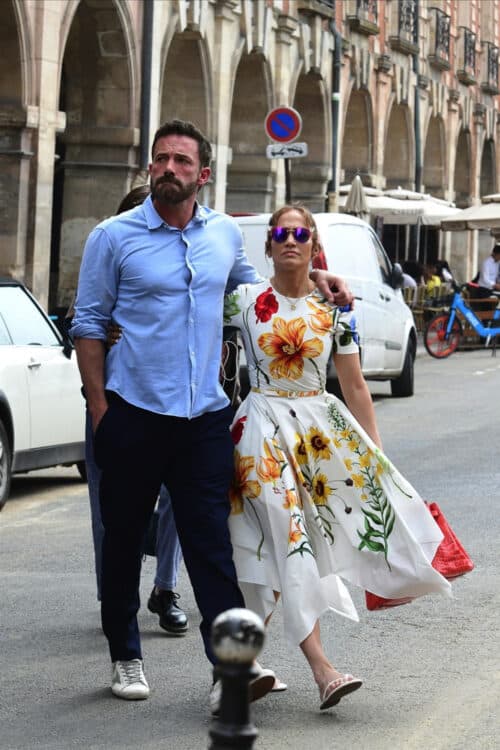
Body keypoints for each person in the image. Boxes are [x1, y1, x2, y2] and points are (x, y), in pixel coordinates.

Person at [70, 119, 353, 703]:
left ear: (202, 175)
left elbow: (256, 290)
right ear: (150, 168)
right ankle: (125, 653)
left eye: (180, 161)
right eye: (160, 159)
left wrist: (315, 274)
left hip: (203, 419)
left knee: (211, 547)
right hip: (133, 412)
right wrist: (101, 408)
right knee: (122, 539)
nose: (168, 169)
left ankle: (232, 667)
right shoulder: (113, 237)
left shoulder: (223, 234)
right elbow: (89, 325)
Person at [223, 205, 452, 711]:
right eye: (280, 232)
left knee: (273, 551)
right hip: (259, 431)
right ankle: (322, 670)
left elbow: (354, 387)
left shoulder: (334, 313)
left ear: (313, 243)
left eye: (300, 232)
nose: (289, 239)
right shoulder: (241, 301)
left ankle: (234, 666)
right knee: (290, 538)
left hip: (315, 438)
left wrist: (375, 461)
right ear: (267, 244)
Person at [82, 185, 187, 635]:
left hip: (171, 408)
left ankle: (166, 589)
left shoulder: (174, 277)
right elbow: (83, 326)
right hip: (111, 407)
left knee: (177, 501)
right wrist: (100, 408)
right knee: (108, 509)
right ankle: (115, 596)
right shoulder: (104, 259)